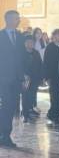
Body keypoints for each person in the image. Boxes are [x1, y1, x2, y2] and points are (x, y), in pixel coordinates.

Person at [0, 10, 25, 147]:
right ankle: (4, 135)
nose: (18, 20)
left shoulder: (20, 36)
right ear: (8, 20)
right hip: (3, 79)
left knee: (11, 107)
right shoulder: (0, 36)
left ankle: (4, 134)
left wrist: (24, 75)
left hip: (16, 80)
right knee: (6, 106)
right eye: (16, 18)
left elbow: (22, 58)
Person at [43, 29, 59, 125]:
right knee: (54, 97)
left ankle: (54, 114)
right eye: (57, 35)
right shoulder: (49, 47)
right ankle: (53, 115)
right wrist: (46, 77)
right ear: (53, 36)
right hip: (52, 76)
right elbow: (46, 63)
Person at [20, 35, 42, 123]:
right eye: (28, 42)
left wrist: (41, 77)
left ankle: (29, 111)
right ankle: (25, 114)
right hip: (25, 79)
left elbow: (40, 65)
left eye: (32, 42)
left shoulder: (36, 53)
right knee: (25, 96)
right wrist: (23, 75)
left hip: (35, 78)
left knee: (32, 96)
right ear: (25, 43)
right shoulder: (21, 53)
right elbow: (19, 66)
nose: (30, 44)